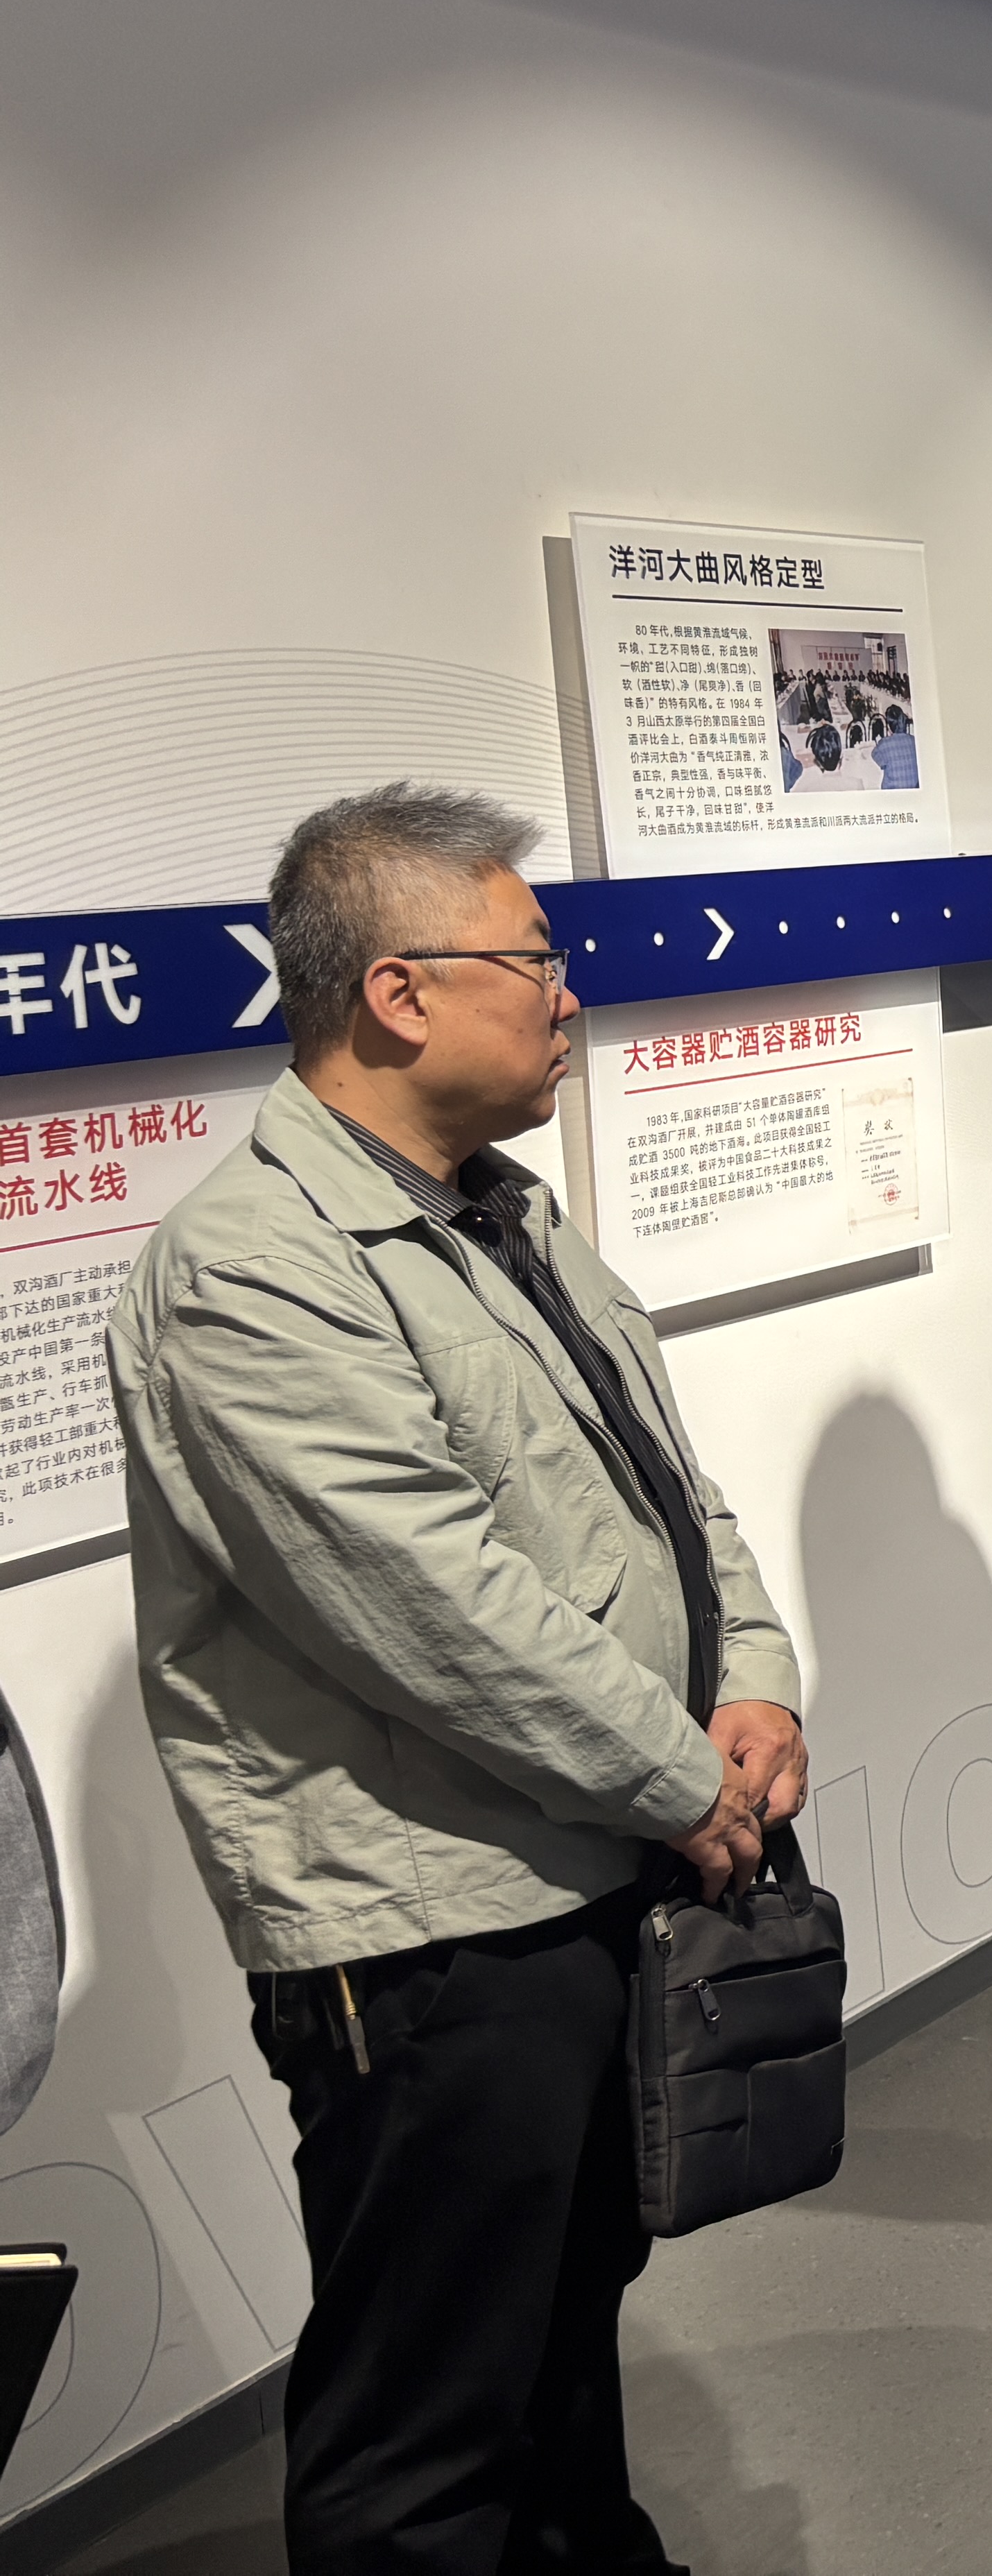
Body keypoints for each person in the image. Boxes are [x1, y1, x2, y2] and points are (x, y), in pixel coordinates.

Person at [108, 784, 807, 2574]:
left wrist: (755, 1677)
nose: (569, 992)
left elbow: (668, 1485)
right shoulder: (251, 1270)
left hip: (592, 1861)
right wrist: (683, 1778)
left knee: (564, 2335)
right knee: (428, 2420)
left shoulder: (504, 1214)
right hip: (430, 1923)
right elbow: (431, 1604)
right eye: (535, 958)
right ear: (400, 992)